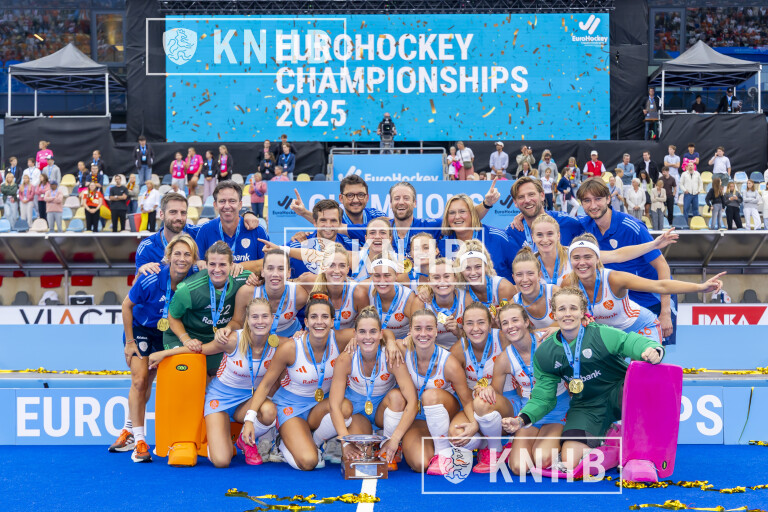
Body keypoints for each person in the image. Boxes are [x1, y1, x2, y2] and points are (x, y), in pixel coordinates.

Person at [501, 288, 666, 472]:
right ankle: (611, 447)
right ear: (554, 314)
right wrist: (521, 420)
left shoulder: (601, 334)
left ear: (582, 312)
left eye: (573, 308)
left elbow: (630, 342)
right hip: (586, 407)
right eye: (562, 309)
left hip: (619, 393)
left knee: (640, 387)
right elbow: (543, 397)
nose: (568, 313)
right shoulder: (546, 353)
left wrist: (652, 349)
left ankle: (636, 451)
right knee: (569, 459)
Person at [152, 297, 283, 467]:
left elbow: (302, 344)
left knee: (269, 411)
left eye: (265, 316)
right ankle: (214, 441)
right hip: (220, 399)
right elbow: (200, 350)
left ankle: (244, 440)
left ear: (272, 318)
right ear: (247, 320)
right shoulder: (232, 340)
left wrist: (300, 334)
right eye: (255, 316)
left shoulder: (279, 345)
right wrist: (164, 354)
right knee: (222, 461)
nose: (260, 321)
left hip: (248, 401)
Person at [240, 295, 357, 470]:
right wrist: (249, 419)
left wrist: (388, 342)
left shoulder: (339, 339)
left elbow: (378, 332)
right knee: (309, 462)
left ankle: (316, 441)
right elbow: (265, 385)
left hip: (320, 406)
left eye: (325, 317)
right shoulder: (290, 348)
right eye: (314, 317)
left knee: (345, 407)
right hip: (291, 408)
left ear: (333, 321)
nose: (319, 322)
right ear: (306, 322)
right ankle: (281, 441)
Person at [116, 234, 198, 462]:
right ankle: (139, 442)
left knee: (149, 380)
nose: (182, 259)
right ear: (168, 256)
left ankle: (129, 429)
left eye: (187, 255)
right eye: (177, 254)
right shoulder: (150, 278)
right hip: (140, 329)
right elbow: (126, 306)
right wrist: (129, 342)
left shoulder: (195, 278)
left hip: (167, 333)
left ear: (193, 259)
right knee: (139, 380)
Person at [564, 234, 723, 342]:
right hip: (609, 335)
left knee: (643, 370)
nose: (582, 263)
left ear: (598, 259)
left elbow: (660, 285)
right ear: (570, 260)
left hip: (639, 328)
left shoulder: (614, 279)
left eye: (588, 257)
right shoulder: (568, 284)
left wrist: (701, 287)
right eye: (576, 258)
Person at [577, 178, 677, 344]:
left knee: (650, 354)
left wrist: (665, 312)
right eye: (587, 200)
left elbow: (662, 266)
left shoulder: (632, 227)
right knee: (618, 354)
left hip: (652, 301)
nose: (593, 205)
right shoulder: (583, 226)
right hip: (619, 303)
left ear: (608, 199)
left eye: (598, 199)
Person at [477, 302, 569, 474]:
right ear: (501, 328)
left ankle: (564, 444)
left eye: (515, 320)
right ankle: (525, 443)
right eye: (505, 323)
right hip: (529, 411)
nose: (510, 326)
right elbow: (496, 395)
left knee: (542, 459)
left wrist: (559, 329)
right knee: (519, 468)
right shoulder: (504, 359)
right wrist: (487, 389)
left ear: (526, 322)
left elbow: (575, 329)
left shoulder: (547, 338)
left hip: (557, 408)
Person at [328, 306, 418, 469]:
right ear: (355, 335)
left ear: (381, 334)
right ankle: (363, 440)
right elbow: (334, 405)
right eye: (362, 332)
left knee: (397, 397)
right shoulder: (345, 359)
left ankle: (388, 444)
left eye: (373, 332)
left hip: (382, 412)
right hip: (357, 413)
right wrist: (345, 442)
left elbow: (412, 402)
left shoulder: (392, 357)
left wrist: (394, 439)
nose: (368, 337)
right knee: (362, 460)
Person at [395, 309, 478, 474]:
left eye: (429, 328)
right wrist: (391, 343)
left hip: (446, 412)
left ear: (436, 331)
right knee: (420, 464)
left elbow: (467, 400)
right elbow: (385, 337)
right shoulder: (402, 350)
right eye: (418, 328)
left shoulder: (449, 363)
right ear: (410, 331)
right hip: (418, 418)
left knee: (430, 395)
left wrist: (475, 425)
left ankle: (443, 453)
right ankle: (442, 448)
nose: (423, 334)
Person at [163, 241, 253, 376]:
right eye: (212, 264)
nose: (217, 269)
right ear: (206, 264)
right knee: (187, 376)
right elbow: (172, 316)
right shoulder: (188, 289)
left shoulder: (244, 279)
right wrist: (186, 340)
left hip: (216, 338)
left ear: (232, 265)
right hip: (185, 334)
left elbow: (264, 274)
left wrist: (257, 280)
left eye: (222, 264)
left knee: (216, 378)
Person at [530, 213, 678, 286]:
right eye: (539, 235)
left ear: (558, 236)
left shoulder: (575, 254)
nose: (545, 239)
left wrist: (653, 244)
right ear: (533, 237)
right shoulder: (529, 263)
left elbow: (617, 255)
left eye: (550, 234)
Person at [446, 302, 510, 472]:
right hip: (474, 405)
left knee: (483, 401)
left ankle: (495, 450)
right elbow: (462, 392)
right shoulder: (458, 350)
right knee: (455, 436)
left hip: (505, 403)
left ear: (490, 324)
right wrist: (474, 423)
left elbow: (531, 337)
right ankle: (484, 443)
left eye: (481, 322)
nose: (475, 328)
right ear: (463, 326)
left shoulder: (503, 338)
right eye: (469, 323)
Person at [228, 249, 308, 339]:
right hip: (258, 340)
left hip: (292, 338)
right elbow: (237, 322)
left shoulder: (299, 295)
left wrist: (306, 333)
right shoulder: (247, 293)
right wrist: (228, 328)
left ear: (289, 273)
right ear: (262, 272)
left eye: (281, 269)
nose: (275, 274)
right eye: (270, 268)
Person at [195, 181, 269, 273]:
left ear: (240, 205)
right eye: (222, 201)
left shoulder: (257, 230)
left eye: (232, 201)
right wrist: (199, 263)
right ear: (215, 205)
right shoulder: (205, 230)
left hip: (250, 282)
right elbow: (196, 262)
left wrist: (241, 267)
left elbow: (268, 262)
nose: (227, 206)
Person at [437, 193, 515, 280]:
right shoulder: (442, 245)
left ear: (472, 213)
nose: (457, 217)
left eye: (462, 211)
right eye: (452, 213)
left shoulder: (498, 238)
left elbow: (521, 269)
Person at [354, 257, 424, 339]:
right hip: (373, 340)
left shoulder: (407, 297)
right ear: (371, 276)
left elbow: (417, 332)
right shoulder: (364, 288)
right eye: (377, 276)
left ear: (396, 276)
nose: (382, 280)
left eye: (387, 275)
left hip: (401, 343)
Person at [454, 240, 516, 315]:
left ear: (487, 266)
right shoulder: (459, 292)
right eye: (467, 268)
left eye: (478, 267)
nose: (473, 273)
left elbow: (515, 318)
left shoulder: (503, 288)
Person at [422, 258, 468, 349]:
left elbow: (476, 338)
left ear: (455, 279)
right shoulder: (421, 302)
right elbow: (415, 338)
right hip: (434, 352)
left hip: (462, 351)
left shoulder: (467, 299)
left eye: (447, 276)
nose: (442, 281)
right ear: (429, 282)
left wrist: (458, 332)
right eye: (436, 277)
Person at [511, 247, 557, 329]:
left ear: (539, 275)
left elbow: (572, 320)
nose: (525, 279)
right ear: (513, 278)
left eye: (530, 273)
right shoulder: (513, 305)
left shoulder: (555, 293)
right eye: (519, 274)